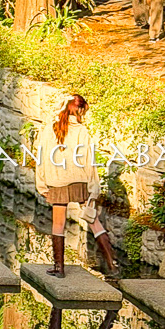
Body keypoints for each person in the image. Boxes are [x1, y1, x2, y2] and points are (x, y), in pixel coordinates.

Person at [35, 94, 119, 278]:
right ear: (80, 111)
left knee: (58, 224)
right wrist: (93, 188)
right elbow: (90, 161)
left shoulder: (50, 128)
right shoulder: (82, 131)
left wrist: (41, 184)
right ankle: (113, 265)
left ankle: (59, 268)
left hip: (57, 182)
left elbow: (41, 157)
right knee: (93, 221)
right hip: (79, 181)